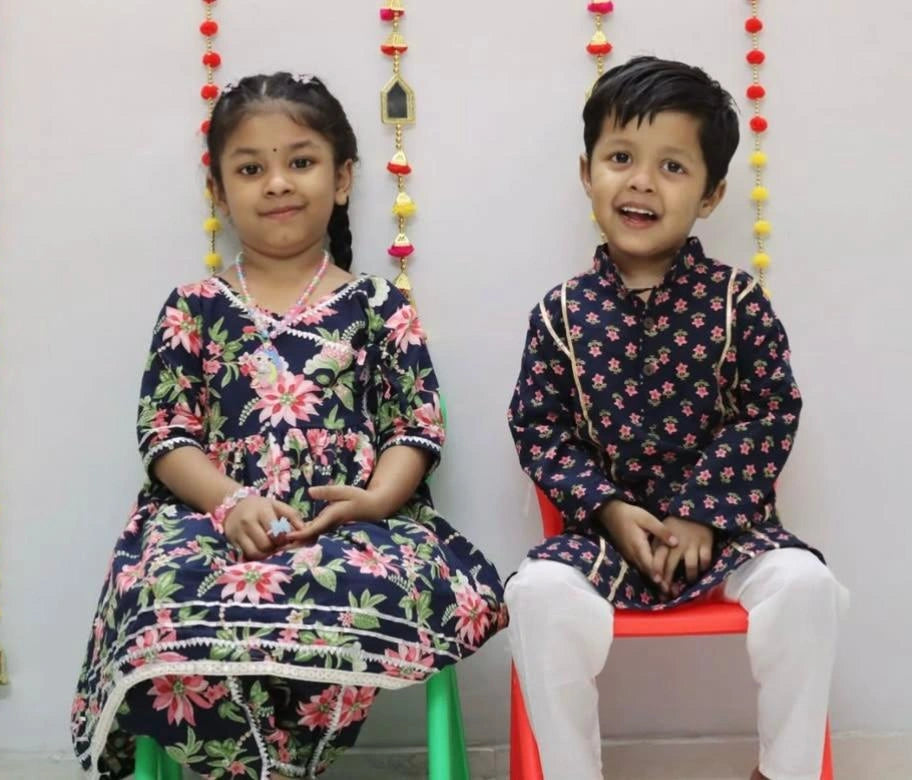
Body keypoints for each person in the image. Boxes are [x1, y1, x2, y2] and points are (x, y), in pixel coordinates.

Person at [71, 71, 505, 780]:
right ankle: (250, 768)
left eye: (299, 162)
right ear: (218, 191)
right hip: (210, 518)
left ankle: (284, 764)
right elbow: (165, 435)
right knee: (162, 587)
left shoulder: (378, 305)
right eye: (251, 168)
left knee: (365, 583)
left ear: (342, 180)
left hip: (355, 521)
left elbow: (416, 429)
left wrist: (375, 501)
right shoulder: (193, 305)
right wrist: (229, 501)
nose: (277, 183)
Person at [505, 57, 848, 780]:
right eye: (621, 158)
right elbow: (538, 428)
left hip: (728, 536)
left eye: (671, 166)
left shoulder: (736, 302)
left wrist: (703, 514)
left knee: (807, 586)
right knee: (534, 595)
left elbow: (770, 410)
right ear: (586, 171)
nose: (640, 182)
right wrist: (609, 511)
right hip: (603, 542)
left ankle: (782, 772)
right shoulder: (560, 314)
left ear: (713, 192)